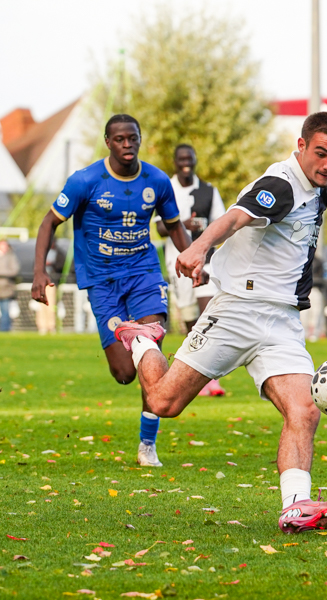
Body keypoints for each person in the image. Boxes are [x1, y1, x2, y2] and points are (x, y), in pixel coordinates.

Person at [113, 112, 327, 533]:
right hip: (237, 312)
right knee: (162, 403)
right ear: (300, 146)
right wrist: (198, 249)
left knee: (304, 409)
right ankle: (142, 341)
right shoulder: (280, 185)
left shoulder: (321, 185)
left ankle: (296, 506)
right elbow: (233, 218)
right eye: (321, 154)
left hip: (282, 321)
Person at [31, 114, 192, 467]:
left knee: (153, 361)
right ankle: (130, 334)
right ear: (108, 141)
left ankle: (147, 445)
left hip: (144, 273)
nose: (127, 144)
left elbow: (174, 226)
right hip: (101, 280)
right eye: (119, 139)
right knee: (125, 374)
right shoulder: (85, 181)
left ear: (139, 138)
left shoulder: (157, 181)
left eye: (132, 138)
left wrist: (194, 259)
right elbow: (48, 222)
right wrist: (39, 271)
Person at [156, 144, 227, 397]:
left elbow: (222, 222)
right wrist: (182, 224)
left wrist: (206, 232)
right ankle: (196, 376)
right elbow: (159, 228)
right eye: (181, 159)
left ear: (195, 161)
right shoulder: (166, 188)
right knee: (190, 322)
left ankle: (211, 380)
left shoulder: (208, 190)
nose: (186, 163)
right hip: (177, 263)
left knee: (207, 316)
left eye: (190, 158)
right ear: (175, 162)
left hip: (206, 261)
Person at [0, 239, 20, 332]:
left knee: (5, 311)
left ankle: (4, 330)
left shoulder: (11, 256)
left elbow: (14, 270)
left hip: (6, 289)